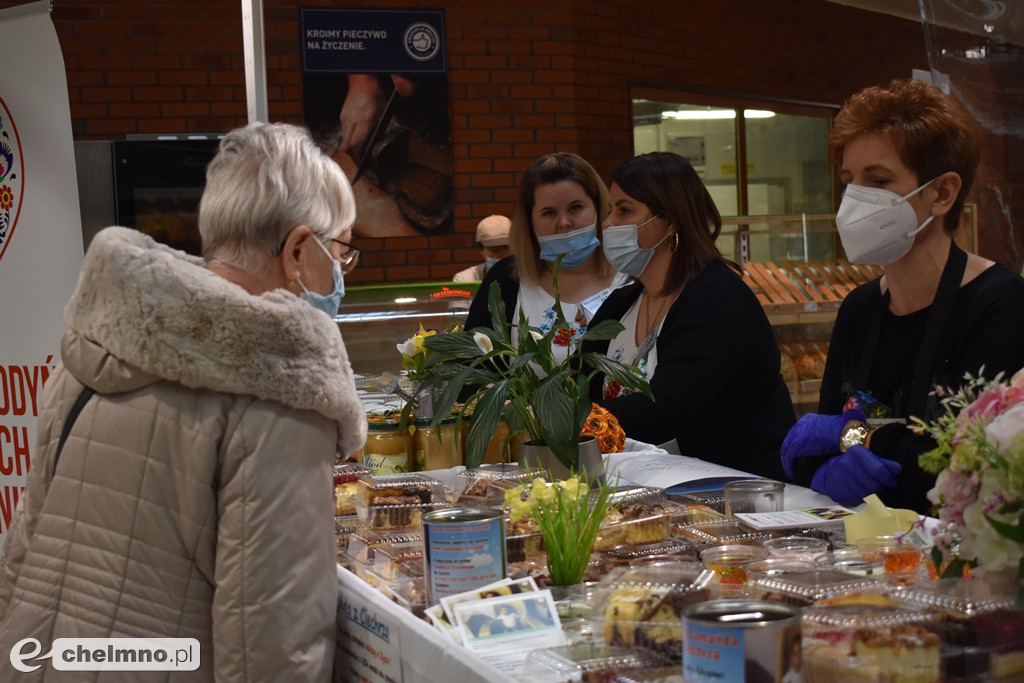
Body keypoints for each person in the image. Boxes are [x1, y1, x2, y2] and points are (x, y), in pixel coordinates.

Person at [0, 122, 368, 682]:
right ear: (297, 250)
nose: (341, 272)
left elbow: (20, 555)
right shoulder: (281, 392)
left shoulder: (92, 350)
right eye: (340, 249)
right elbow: (272, 653)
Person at [781, 79, 1024, 513]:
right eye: (848, 181)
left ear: (942, 193)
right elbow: (813, 449)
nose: (855, 200)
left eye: (878, 180)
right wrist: (819, 470)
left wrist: (847, 436)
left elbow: (963, 470)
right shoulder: (860, 309)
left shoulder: (1000, 306)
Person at [582, 151, 795, 480]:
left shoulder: (716, 301)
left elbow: (664, 412)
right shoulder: (623, 302)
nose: (608, 224)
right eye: (611, 211)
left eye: (624, 210)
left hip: (738, 493)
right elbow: (578, 381)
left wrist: (569, 416)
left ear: (670, 220)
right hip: (644, 487)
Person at [465, 152, 629, 363]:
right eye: (549, 213)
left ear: (599, 208)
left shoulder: (632, 276)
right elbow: (471, 368)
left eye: (575, 208)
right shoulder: (505, 280)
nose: (564, 222)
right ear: (530, 221)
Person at [453, 214, 512, 282]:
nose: (502, 255)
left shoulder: (525, 277)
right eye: (495, 250)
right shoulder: (465, 280)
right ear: (481, 250)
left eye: (506, 248)